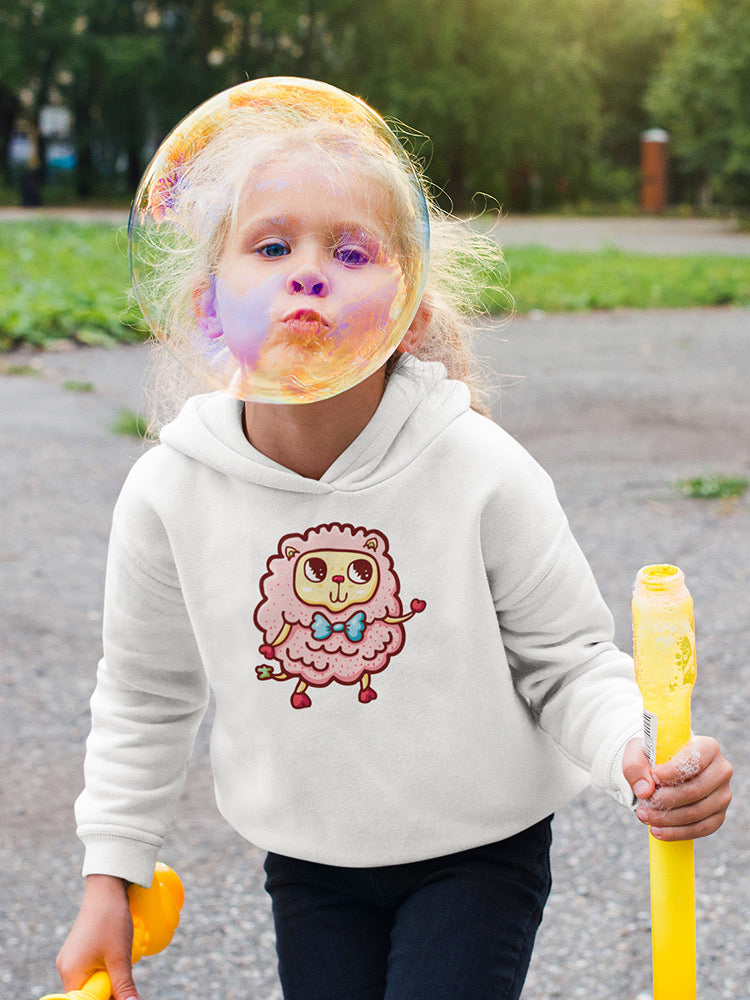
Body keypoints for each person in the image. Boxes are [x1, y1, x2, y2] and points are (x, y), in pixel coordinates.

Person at [55, 79, 732, 1000]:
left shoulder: (478, 467)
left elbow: (569, 661)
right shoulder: (170, 493)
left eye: (349, 249)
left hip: (478, 852)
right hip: (310, 859)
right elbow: (142, 697)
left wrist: (637, 754)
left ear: (410, 306)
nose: (308, 271)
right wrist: (110, 874)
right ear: (211, 302)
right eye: (270, 244)